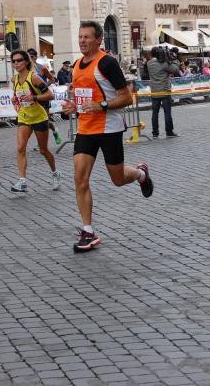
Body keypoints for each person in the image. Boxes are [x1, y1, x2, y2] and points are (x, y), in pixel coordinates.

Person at [62, 21, 154, 253]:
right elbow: (83, 99)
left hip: (108, 128)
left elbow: (126, 98)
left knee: (118, 179)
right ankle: (88, 230)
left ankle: (141, 173)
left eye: (87, 37)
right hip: (85, 129)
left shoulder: (107, 63)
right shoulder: (75, 65)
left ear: (98, 40)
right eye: (80, 36)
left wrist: (101, 105)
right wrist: (74, 106)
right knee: (80, 179)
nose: (82, 41)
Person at [9, 50, 61, 193]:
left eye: (19, 60)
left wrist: (35, 98)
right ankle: (22, 181)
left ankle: (55, 173)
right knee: (20, 148)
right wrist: (15, 101)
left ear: (26, 61)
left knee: (43, 150)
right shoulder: (14, 80)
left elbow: (50, 95)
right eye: (13, 61)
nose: (16, 63)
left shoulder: (34, 78)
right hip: (24, 118)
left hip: (39, 117)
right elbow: (16, 97)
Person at [27, 48, 62, 144]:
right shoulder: (25, 70)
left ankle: (55, 131)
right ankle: (40, 143)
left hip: (43, 97)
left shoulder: (41, 68)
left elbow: (52, 79)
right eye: (28, 56)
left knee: (44, 121)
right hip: (31, 98)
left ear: (36, 57)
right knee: (33, 121)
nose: (30, 58)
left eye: (32, 57)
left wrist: (44, 87)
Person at [147, 45, 180, 139]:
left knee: (155, 113)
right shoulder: (164, 63)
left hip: (154, 91)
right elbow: (176, 70)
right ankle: (169, 132)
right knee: (167, 113)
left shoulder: (149, 63)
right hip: (165, 90)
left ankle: (155, 133)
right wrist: (173, 59)